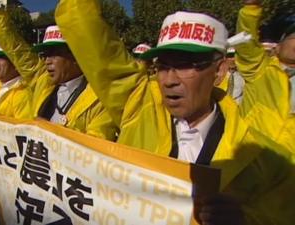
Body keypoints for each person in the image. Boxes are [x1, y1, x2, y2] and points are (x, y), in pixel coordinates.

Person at [55, 0, 295, 224]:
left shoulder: (261, 156)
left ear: (219, 69)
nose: (169, 80)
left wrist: (244, 218)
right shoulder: (139, 106)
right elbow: (82, 25)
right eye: (163, 66)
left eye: (184, 65)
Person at [0, 0, 118, 141]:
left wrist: (49, 132)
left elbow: (95, 150)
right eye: (45, 55)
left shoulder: (101, 101)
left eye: (54, 53)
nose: (47, 61)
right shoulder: (43, 81)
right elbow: (17, 50)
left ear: (76, 55)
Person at [236, 0, 295, 153]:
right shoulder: (260, 69)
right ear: (278, 47)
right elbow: (245, 44)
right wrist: (250, 10)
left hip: (289, 170)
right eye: (293, 37)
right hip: (248, 159)